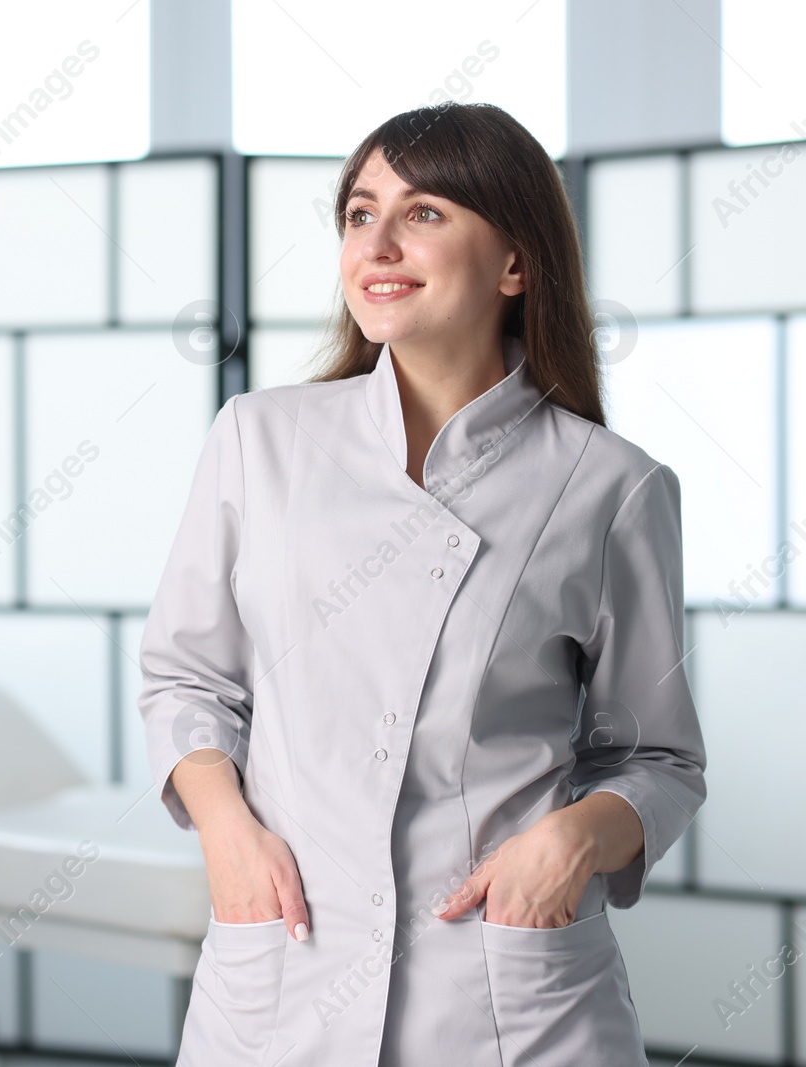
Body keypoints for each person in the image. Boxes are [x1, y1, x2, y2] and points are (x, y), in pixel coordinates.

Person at [137, 101, 707, 1066]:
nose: (379, 243)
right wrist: (227, 831)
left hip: (504, 994)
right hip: (284, 972)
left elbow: (658, 759)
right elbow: (185, 680)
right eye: (360, 214)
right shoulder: (257, 440)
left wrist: (572, 843)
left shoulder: (611, 485)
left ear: (517, 264)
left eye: (426, 213)